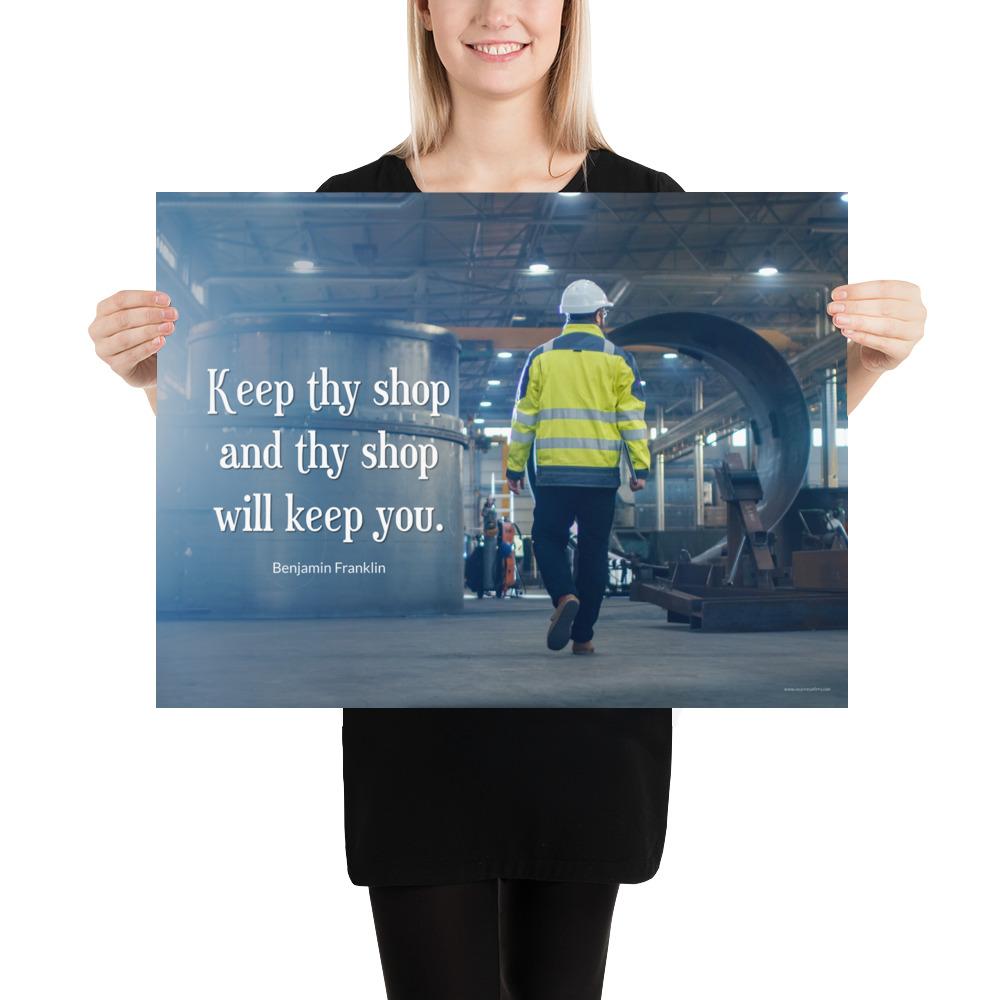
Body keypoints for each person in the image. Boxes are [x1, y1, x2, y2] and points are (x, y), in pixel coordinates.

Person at [87, 2, 926, 997]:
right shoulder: (359, 202)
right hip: (429, 728)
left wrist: (863, 368)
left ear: (570, 14)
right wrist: (152, 382)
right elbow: (290, 455)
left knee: (562, 555)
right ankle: (579, 619)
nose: (497, 11)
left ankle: (562, 589)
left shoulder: (640, 198)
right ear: (425, 13)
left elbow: (516, 427)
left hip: (573, 717)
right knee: (592, 569)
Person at [505, 279, 649, 654]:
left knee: (547, 538)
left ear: (566, 316)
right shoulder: (619, 358)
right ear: (600, 315)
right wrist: (640, 468)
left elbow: (523, 420)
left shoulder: (541, 357)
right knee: (594, 550)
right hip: (600, 476)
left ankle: (564, 596)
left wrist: (515, 469)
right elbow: (632, 418)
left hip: (553, 474)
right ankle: (583, 637)